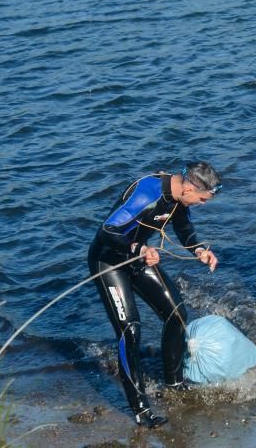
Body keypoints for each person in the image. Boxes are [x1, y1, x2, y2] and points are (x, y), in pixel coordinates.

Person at [88, 161, 222, 428]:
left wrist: (198, 250)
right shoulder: (147, 192)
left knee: (176, 314)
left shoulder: (179, 200)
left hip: (139, 258)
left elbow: (183, 227)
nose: (202, 204)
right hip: (109, 261)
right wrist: (138, 248)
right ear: (188, 188)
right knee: (130, 330)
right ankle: (140, 410)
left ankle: (174, 382)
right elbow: (107, 231)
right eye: (201, 199)